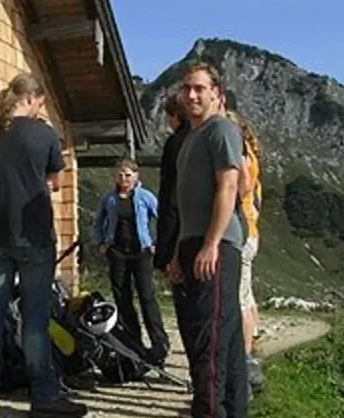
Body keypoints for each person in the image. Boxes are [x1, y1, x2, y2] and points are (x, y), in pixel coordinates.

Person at [0, 73, 87, 418]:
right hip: (33, 237)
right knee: (34, 319)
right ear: (33, 99)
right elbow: (55, 182)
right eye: (40, 103)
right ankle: (44, 396)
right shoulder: (44, 134)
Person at [166, 62, 249, 418]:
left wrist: (211, 244)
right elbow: (186, 200)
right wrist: (175, 253)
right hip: (191, 242)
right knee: (223, 342)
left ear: (217, 93)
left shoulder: (221, 129)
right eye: (187, 88)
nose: (192, 95)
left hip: (214, 245)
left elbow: (231, 186)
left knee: (209, 344)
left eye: (200, 88)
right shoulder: (191, 137)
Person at [92, 157, 170, 364]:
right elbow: (99, 221)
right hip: (117, 251)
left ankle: (159, 343)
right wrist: (100, 242)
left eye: (128, 175)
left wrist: (157, 243)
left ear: (136, 176)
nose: (124, 179)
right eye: (120, 174)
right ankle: (133, 342)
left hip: (141, 251)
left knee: (147, 296)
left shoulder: (145, 197)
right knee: (122, 297)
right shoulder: (109, 198)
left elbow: (162, 217)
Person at [226, 110, 266, 393]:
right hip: (252, 230)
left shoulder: (240, 154)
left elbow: (241, 189)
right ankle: (250, 351)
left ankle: (242, 361)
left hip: (242, 232)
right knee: (246, 297)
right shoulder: (252, 152)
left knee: (239, 300)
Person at [154, 92, 191, 271]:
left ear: (176, 115)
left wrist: (164, 253)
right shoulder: (201, 135)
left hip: (177, 227)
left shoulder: (176, 143)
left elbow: (171, 194)